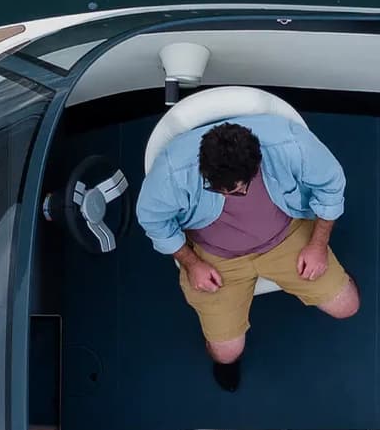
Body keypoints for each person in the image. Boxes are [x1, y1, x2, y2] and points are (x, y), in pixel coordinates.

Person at [134, 109, 357, 390]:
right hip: (213, 254)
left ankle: (335, 273)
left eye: (239, 190)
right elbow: (153, 220)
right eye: (219, 191)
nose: (230, 196)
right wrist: (191, 263)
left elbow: (331, 186)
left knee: (347, 306)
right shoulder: (172, 171)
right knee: (226, 353)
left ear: (257, 164)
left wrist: (318, 244)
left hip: (286, 235)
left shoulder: (291, 144)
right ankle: (226, 362)